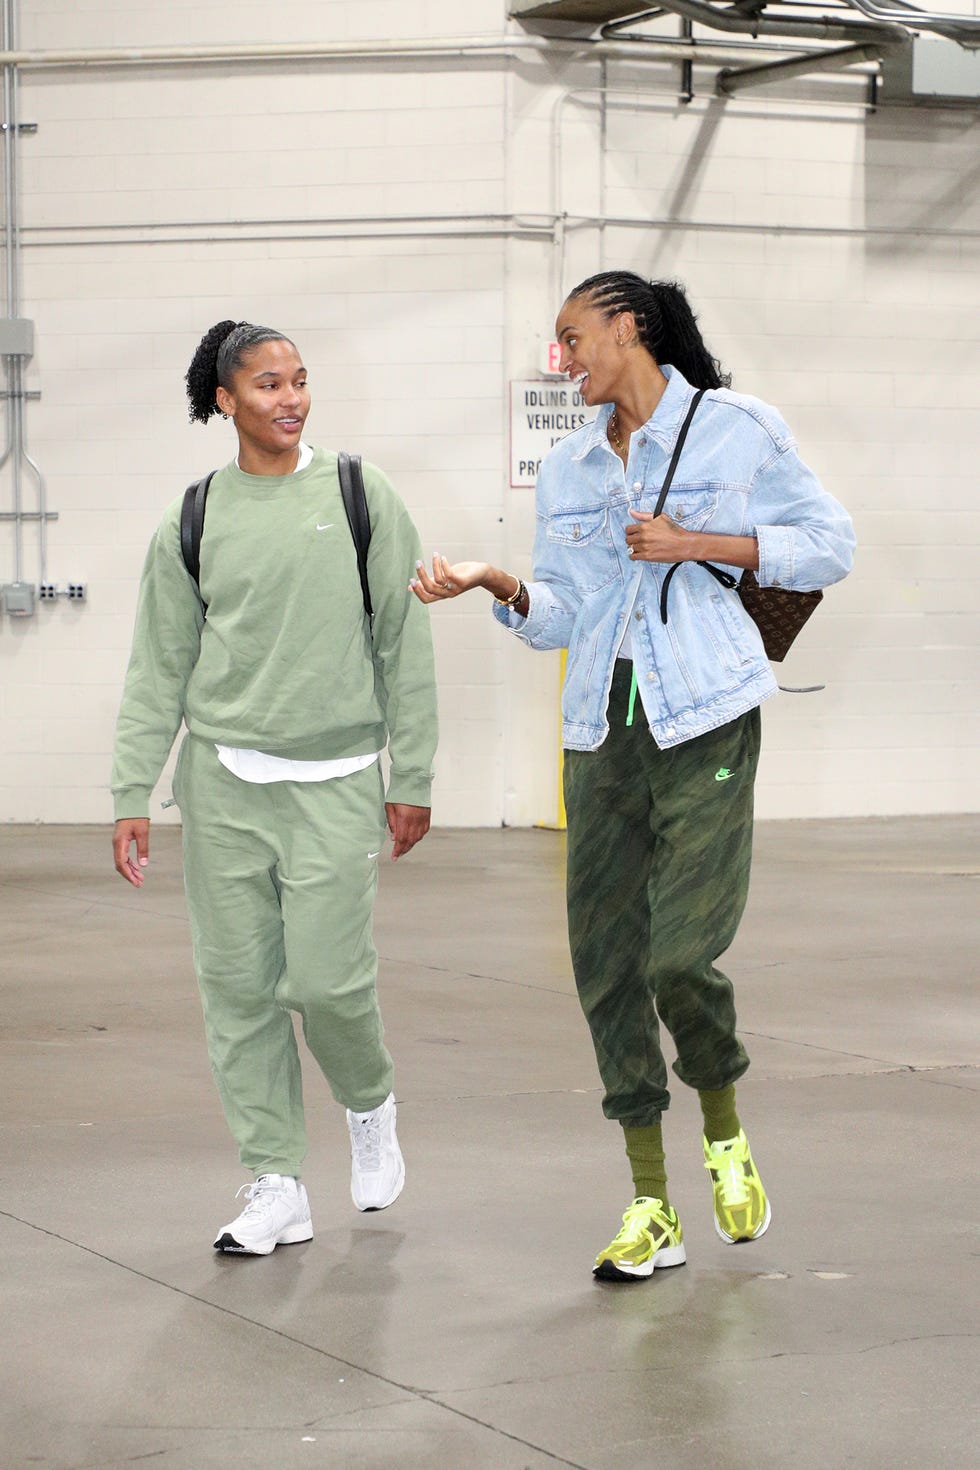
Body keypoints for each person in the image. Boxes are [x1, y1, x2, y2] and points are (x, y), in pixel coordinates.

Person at [411, 272, 854, 1282]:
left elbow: (829, 545)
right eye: (555, 345)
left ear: (630, 330)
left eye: (572, 339)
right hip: (597, 732)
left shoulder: (737, 429)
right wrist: (495, 582)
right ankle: (650, 1203)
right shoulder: (569, 468)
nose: (558, 361)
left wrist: (700, 540)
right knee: (605, 967)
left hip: (703, 716)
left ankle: (725, 1132)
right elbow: (564, 611)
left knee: (677, 958)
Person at [112, 320, 437, 1255]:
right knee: (239, 992)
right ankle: (275, 1182)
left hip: (335, 781)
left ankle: (369, 1107)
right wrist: (134, 789)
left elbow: (402, 645)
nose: (288, 400)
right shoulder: (195, 516)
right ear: (225, 401)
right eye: (266, 385)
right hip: (222, 786)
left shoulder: (358, 493)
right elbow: (158, 664)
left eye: (298, 381)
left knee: (329, 985)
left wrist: (408, 772)